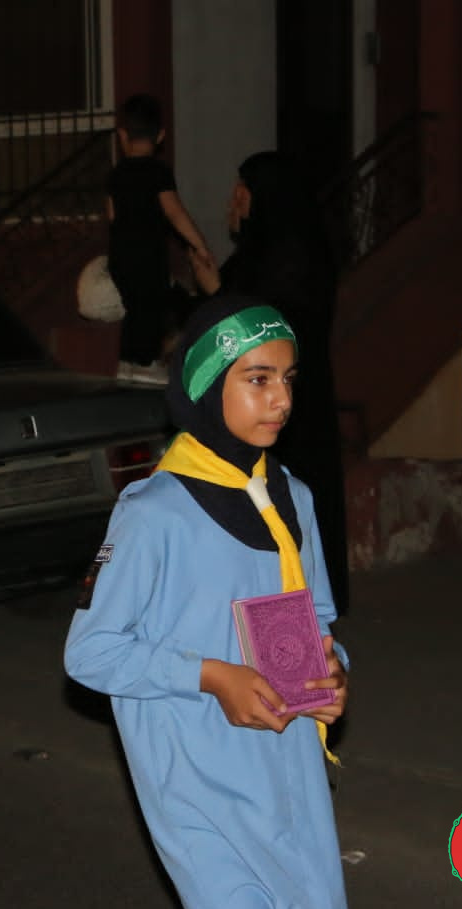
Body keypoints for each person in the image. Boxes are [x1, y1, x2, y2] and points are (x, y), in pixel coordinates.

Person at [64, 295, 350, 909]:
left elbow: (319, 615)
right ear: (207, 385)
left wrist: (332, 669)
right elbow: (91, 651)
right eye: (258, 379)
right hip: (199, 780)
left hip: (291, 771)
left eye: (288, 379)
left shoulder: (294, 496)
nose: (282, 400)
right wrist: (213, 676)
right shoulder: (154, 513)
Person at [191, 150, 350, 616]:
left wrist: (215, 292)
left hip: (285, 409)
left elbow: (260, 329)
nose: (233, 202)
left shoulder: (288, 258)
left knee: (281, 503)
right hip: (283, 407)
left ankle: (292, 611)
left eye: (241, 192)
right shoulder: (267, 253)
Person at [106, 93, 213, 385]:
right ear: (161, 136)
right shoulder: (158, 172)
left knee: (134, 307)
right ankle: (146, 363)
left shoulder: (116, 174)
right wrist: (199, 244)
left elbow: (112, 215)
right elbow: (174, 212)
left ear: (122, 135)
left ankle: (126, 362)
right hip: (148, 254)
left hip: (121, 255)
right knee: (151, 307)